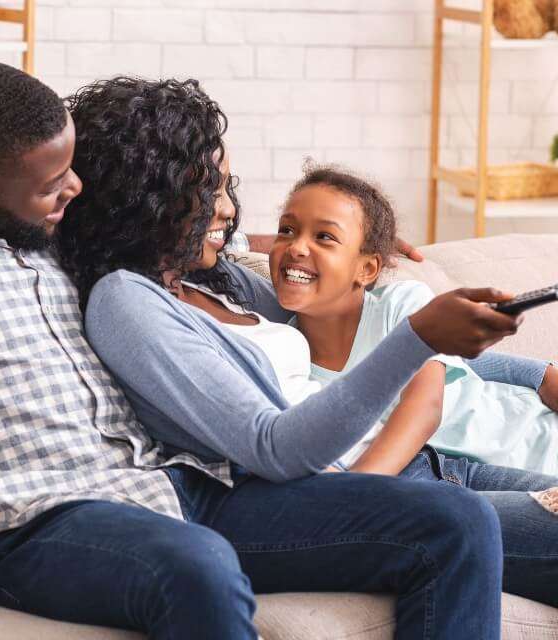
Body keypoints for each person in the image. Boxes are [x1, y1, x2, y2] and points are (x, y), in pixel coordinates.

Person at [54, 75, 558, 638]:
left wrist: (351, 244)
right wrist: (419, 335)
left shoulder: (218, 280)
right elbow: (274, 446)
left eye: (227, 188)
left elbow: (333, 316)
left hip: (431, 465)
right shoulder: (126, 301)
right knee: (464, 525)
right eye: (210, 189)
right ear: (151, 194)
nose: (226, 208)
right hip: (324, 491)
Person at [267, 165, 558, 475]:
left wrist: (352, 493)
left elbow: (424, 409)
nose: (296, 247)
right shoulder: (283, 358)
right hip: (465, 482)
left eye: (324, 236)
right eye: (286, 230)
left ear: (367, 269)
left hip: (537, 441)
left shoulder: (402, 305)